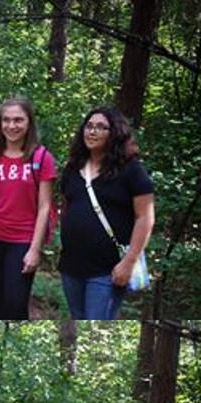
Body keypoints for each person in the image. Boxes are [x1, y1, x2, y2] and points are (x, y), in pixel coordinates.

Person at [58, 106, 155, 319]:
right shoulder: (73, 168)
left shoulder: (131, 170)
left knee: (96, 321)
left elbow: (145, 217)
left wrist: (128, 262)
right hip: (71, 265)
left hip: (108, 269)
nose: (92, 132)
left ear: (115, 133)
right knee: (78, 317)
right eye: (89, 126)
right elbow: (66, 207)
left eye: (101, 127)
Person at [0, 97, 56, 320]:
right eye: (6, 120)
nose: (12, 126)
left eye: (18, 120)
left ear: (29, 122)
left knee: (15, 303)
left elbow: (44, 206)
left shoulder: (41, 158)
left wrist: (35, 249)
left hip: (23, 239)